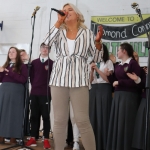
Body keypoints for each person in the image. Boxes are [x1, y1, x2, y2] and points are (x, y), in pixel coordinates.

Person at [43, 3, 103, 150]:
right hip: (59, 78)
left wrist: (97, 42)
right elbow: (46, 43)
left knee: (82, 120)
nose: (66, 12)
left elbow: (97, 57)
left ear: (77, 14)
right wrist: (58, 22)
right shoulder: (59, 30)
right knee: (59, 121)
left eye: (70, 9)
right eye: (64, 10)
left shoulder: (87, 32)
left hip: (79, 79)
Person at [106, 43, 141, 150]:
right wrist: (110, 76)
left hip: (128, 97)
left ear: (124, 51)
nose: (117, 52)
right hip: (118, 97)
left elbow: (136, 81)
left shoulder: (133, 64)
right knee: (118, 124)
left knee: (126, 124)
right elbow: (114, 82)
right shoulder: (119, 65)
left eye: (119, 50)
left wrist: (119, 82)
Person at [26, 43, 53, 149]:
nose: (45, 49)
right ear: (40, 49)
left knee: (46, 116)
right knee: (34, 116)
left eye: (47, 48)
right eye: (43, 47)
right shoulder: (34, 63)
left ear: (49, 50)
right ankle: (33, 137)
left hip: (46, 94)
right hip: (34, 93)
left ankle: (46, 138)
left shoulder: (52, 63)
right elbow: (31, 77)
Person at [0, 47, 28, 144]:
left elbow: (23, 79)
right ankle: (1, 135)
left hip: (16, 91)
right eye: (9, 52)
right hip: (4, 90)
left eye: (13, 52)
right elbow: (1, 79)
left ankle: (13, 136)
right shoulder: (6, 65)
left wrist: (10, 72)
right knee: (2, 113)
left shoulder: (22, 66)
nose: (11, 53)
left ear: (18, 54)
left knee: (14, 113)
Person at [89, 44, 114, 150]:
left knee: (104, 115)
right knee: (93, 116)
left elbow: (109, 80)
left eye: (100, 50)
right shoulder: (91, 62)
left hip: (105, 89)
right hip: (94, 89)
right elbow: (89, 81)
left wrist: (98, 70)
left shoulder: (108, 62)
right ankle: (93, 145)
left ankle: (104, 144)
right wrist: (92, 71)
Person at [127, 51, 147, 150]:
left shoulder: (142, 70)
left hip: (139, 98)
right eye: (133, 56)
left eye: (136, 56)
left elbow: (143, 84)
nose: (135, 58)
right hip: (130, 98)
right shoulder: (125, 68)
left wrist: (138, 79)